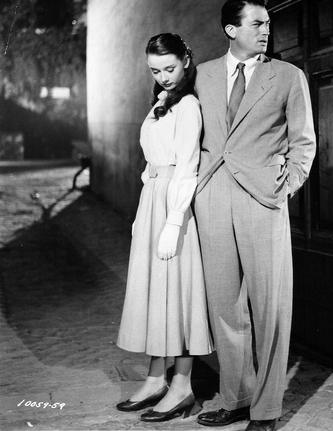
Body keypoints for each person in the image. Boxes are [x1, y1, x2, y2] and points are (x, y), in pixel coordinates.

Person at [194, 0, 316, 431]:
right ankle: (237, 397)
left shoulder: (287, 76)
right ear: (231, 29)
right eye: (257, 23)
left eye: (267, 23)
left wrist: (285, 186)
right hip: (212, 197)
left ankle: (266, 410)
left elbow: (304, 142)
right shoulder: (202, 75)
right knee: (224, 306)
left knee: (270, 306)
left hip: (263, 199)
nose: (266, 30)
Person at [116, 33, 213, 423]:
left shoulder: (188, 105)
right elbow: (151, 161)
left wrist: (173, 222)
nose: (164, 76)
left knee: (178, 293)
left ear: (186, 60)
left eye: (170, 68)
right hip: (153, 200)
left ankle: (182, 384)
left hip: (175, 203)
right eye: (156, 71)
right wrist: (144, 214)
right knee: (158, 294)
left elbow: (187, 166)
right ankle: (156, 378)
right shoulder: (161, 101)